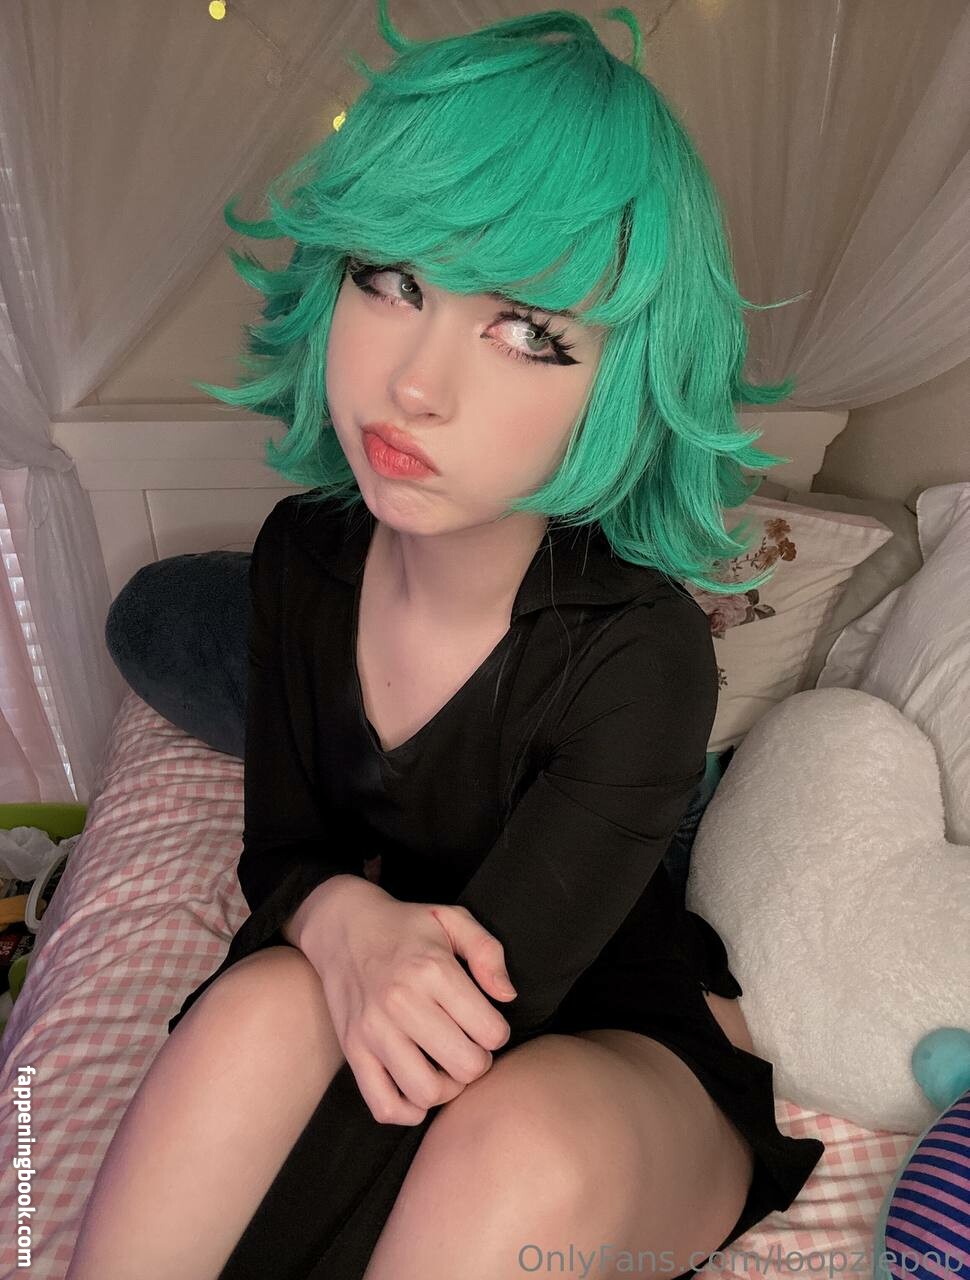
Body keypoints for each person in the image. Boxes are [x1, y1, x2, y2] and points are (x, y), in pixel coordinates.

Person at [66, 3, 824, 1277]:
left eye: (529, 332)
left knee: (510, 1137)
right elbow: (286, 848)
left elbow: (473, 1023)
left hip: (595, 1032)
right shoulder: (303, 557)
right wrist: (340, 917)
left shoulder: (641, 654)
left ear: (618, 383)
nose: (414, 383)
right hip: (394, 973)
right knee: (259, 1009)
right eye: (393, 278)